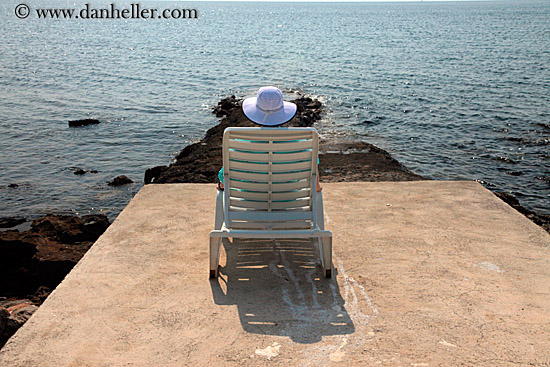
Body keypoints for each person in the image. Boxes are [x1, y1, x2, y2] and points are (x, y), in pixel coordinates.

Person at [217, 86, 322, 192]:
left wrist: (222, 185)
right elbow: (314, 166)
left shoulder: (240, 145)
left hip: (251, 200)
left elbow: (224, 175)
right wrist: (317, 188)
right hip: (288, 199)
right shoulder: (301, 144)